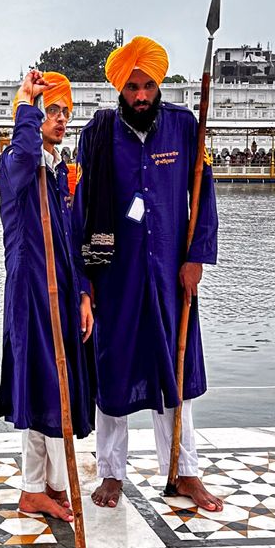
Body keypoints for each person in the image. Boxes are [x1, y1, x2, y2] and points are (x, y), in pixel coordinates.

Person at [73, 36, 221, 512]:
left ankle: (183, 471)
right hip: (115, 275)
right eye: (133, 87)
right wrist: (85, 278)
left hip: (170, 275)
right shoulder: (99, 135)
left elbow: (204, 197)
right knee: (113, 369)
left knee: (174, 370)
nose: (141, 95)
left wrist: (196, 257)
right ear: (120, 88)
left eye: (149, 86)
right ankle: (112, 472)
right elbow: (82, 208)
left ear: (160, 86)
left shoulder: (182, 128)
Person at [0, 69, 94, 522]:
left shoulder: (57, 174)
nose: (58, 120)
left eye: (63, 113)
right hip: (31, 292)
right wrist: (25, 104)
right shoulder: (21, 164)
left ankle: (39, 486)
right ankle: (49, 484)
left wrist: (83, 295)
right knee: (47, 387)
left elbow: (71, 244)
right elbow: (21, 155)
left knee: (49, 387)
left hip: (61, 291)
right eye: (51, 111)